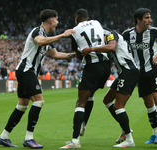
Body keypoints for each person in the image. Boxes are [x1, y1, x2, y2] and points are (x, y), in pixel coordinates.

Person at [0, 9, 76, 149]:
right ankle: (29, 138)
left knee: (21, 106)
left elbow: (56, 55)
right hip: (27, 71)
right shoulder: (38, 32)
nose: (57, 23)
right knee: (39, 101)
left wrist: (76, 55)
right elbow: (40, 42)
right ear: (51, 21)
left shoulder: (47, 37)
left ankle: (3, 136)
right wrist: (63, 35)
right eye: (57, 20)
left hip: (26, 72)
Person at [60, 8, 111, 149]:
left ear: (76, 19)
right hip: (106, 66)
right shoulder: (97, 23)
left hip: (92, 66)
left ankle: (75, 141)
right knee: (90, 95)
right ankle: (83, 126)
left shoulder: (75, 30)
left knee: (80, 102)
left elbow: (79, 54)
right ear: (87, 18)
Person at [81, 30, 141, 147]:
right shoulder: (108, 44)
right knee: (107, 100)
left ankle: (129, 139)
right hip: (123, 72)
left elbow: (112, 47)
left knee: (118, 106)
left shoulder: (111, 35)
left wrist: (92, 49)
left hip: (129, 71)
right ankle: (125, 129)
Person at [121, 8, 157, 144]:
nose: (150, 20)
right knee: (148, 103)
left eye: (150, 17)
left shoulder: (156, 32)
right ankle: (155, 134)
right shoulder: (127, 34)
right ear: (138, 20)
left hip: (154, 68)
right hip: (139, 72)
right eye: (147, 18)